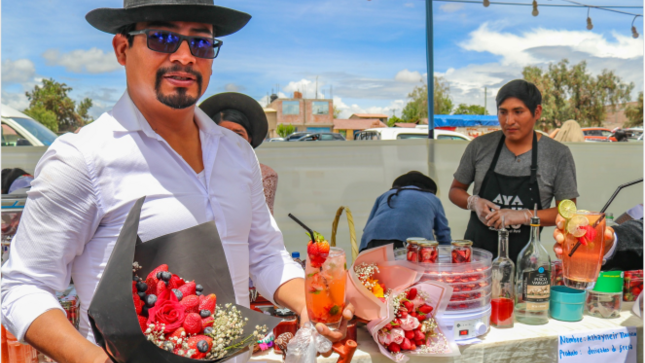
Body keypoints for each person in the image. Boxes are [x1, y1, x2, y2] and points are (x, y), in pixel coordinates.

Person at [0, 2, 353, 363]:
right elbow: (23, 286)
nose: (185, 56)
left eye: (200, 44)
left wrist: (308, 304)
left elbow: (264, 254)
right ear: (123, 49)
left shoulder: (237, 154)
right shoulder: (84, 158)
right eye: (163, 38)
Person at [449, 79, 614, 263]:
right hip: (476, 260)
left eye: (518, 112)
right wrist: (474, 202)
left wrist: (524, 215)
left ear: (537, 112)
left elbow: (567, 212)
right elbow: (455, 191)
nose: (509, 121)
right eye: (503, 112)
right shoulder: (480, 147)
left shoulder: (557, 154)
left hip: (528, 262)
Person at [199, 92, 278, 214]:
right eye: (223, 133)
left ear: (249, 139)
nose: (231, 140)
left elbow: (263, 224)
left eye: (238, 134)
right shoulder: (196, 172)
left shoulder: (264, 175)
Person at [359, 171, 451, 251]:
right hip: (413, 242)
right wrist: (447, 254)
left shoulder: (386, 195)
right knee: (408, 270)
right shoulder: (433, 199)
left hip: (373, 238)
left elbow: (367, 227)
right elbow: (443, 233)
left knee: (375, 270)